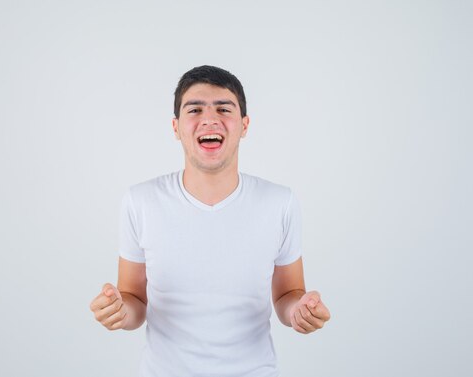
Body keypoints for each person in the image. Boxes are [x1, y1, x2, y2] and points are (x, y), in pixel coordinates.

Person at [89, 65, 331, 376]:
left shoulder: (279, 202)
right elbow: (135, 300)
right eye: (195, 109)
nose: (209, 119)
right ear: (176, 127)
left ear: (244, 125)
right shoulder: (140, 201)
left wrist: (299, 310)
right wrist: (120, 311)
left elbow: (288, 294)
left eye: (223, 108)